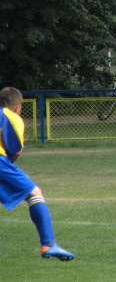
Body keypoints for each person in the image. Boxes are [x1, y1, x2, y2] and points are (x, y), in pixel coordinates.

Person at [0, 87, 75, 261]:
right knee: (35, 193)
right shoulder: (11, 117)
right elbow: (15, 150)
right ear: (17, 107)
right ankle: (48, 243)